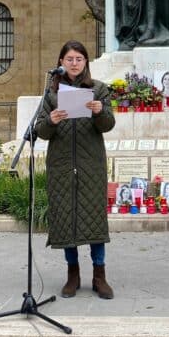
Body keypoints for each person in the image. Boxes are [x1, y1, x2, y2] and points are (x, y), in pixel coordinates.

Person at [35, 40, 116, 300]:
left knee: (94, 218)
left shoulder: (98, 89)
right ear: (61, 62)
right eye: (69, 59)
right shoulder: (51, 93)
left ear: (85, 62)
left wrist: (100, 111)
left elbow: (108, 124)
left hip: (90, 164)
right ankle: (73, 274)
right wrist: (51, 120)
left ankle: (99, 275)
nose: (74, 63)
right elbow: (40, 131)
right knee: (65, 218)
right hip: (61, 165)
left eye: (79, 59)